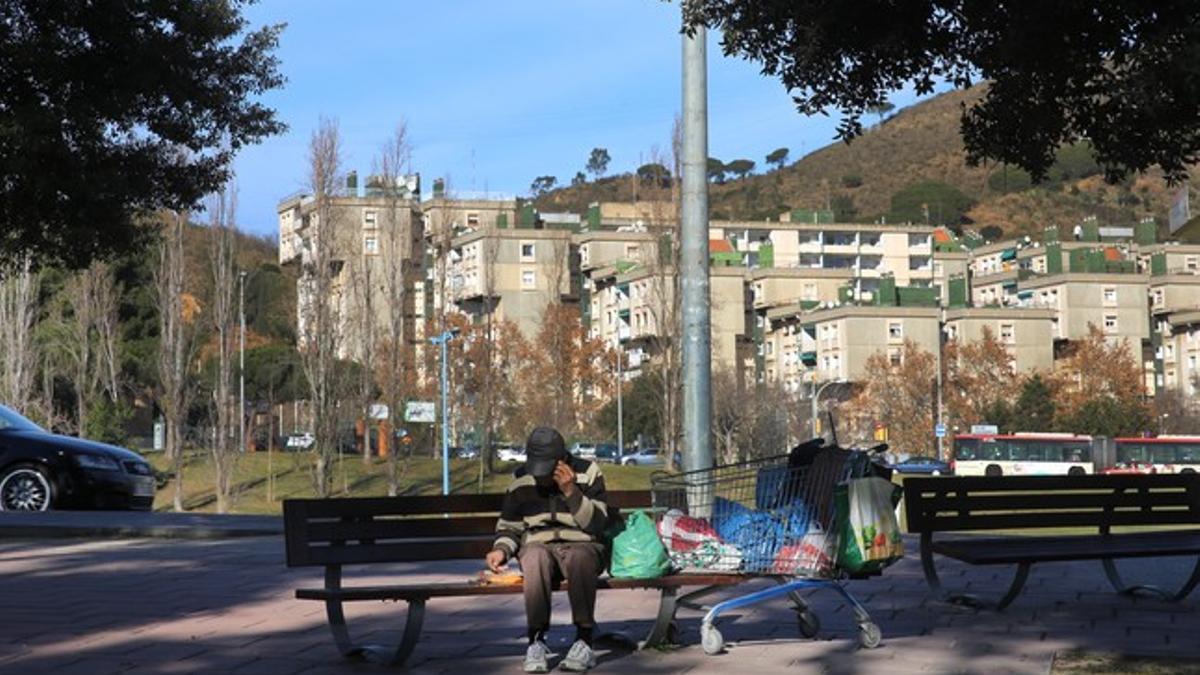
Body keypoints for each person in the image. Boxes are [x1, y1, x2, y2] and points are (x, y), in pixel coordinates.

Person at [485, 426, 609, 673]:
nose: (540, 476)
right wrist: (501, 549)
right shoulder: (521, 478)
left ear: (562, 461)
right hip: (540, 547)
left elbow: (597, 524)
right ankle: (536, 640)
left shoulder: (589, 472)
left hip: (583, 544)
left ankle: (584, 639)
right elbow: (510, 527)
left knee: (579, 556)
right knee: (533, 556)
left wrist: (571, 492)